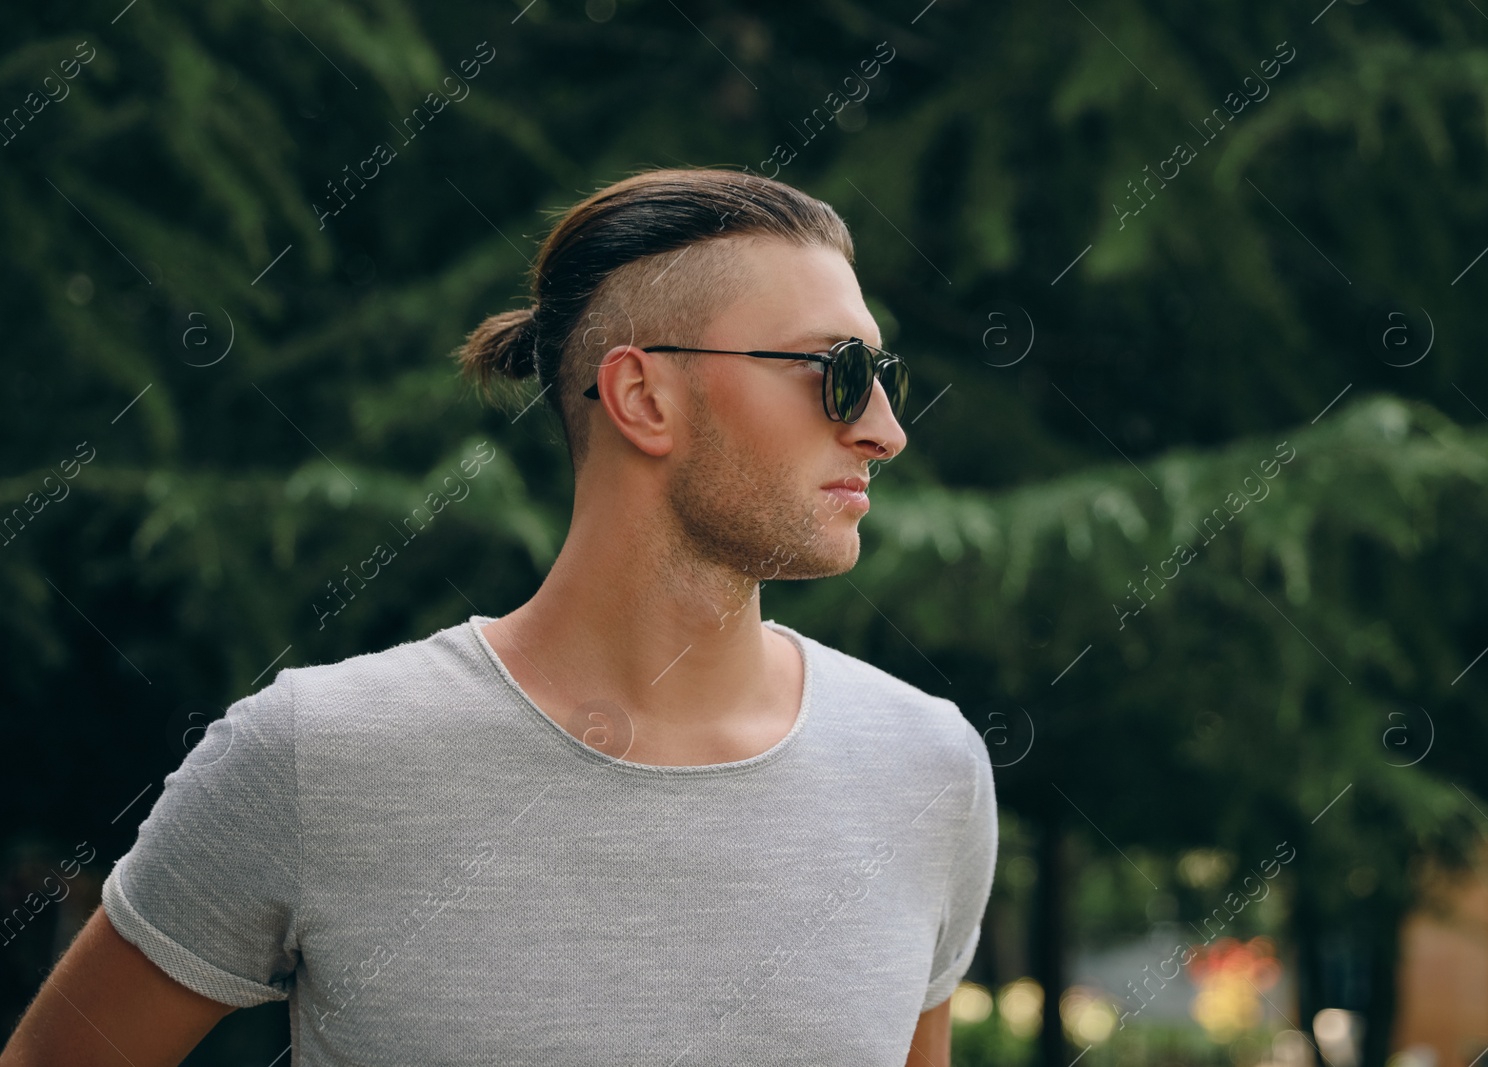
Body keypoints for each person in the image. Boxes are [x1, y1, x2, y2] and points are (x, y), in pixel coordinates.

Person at [0, 167, 998, 1066]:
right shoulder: (315, 756)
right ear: (643, 396)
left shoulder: (926, 768)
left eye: (883, 374)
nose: (884, 429)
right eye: (838, 372)